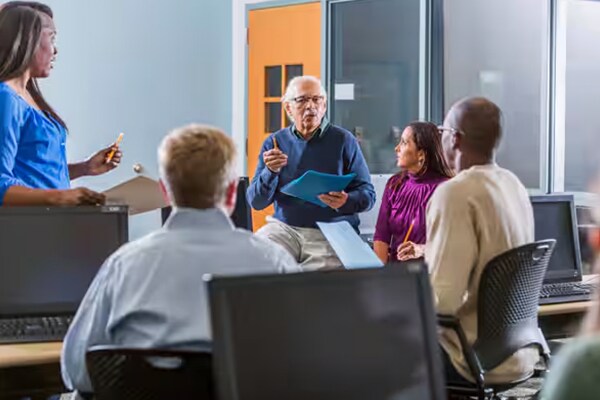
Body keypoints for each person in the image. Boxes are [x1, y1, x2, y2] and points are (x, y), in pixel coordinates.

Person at [61, 124, 301, 394]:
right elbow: (304, 364)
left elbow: (77, 371)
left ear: (165, 191)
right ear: (233, 192)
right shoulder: (276, 262)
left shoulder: (124, 265)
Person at [426, 97, 538, 384]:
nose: (441, 139)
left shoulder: (455, 194)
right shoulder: (514, 184)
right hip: (520, 351)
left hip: (470, 359)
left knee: (373, 348)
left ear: (456, 139)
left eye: (443, 132)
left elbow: (441, 302)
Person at [247, 75, 376, 270]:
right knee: (256, 257)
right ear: (288, 108)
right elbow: (256, 201)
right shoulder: (275, 142)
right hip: (284, 228)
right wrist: (270, 172)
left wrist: (346, 200)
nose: (311, 106)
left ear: (324, 107)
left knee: (315, 281)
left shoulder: (344, 140)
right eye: (302, 100)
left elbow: (368, 195)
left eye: (317, 100)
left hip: (331, 230)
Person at [0, 2, 122, 206]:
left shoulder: (27, 97)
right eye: (52, 38)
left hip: (51, 223)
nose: (55, 50)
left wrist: (84, 168)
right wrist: (60, 197)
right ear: (29, 39)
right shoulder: (6, 98)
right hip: (29, 228)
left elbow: (33, 171)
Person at [373, 121, 453, 263]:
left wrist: (421, 250)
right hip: (397, 275)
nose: (397, 148)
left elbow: (454, 244)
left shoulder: (447, 189)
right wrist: (380, 276)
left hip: (432, 275)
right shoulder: (394, 184)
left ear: (421, 154)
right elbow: (381, 236)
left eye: (404, 143)